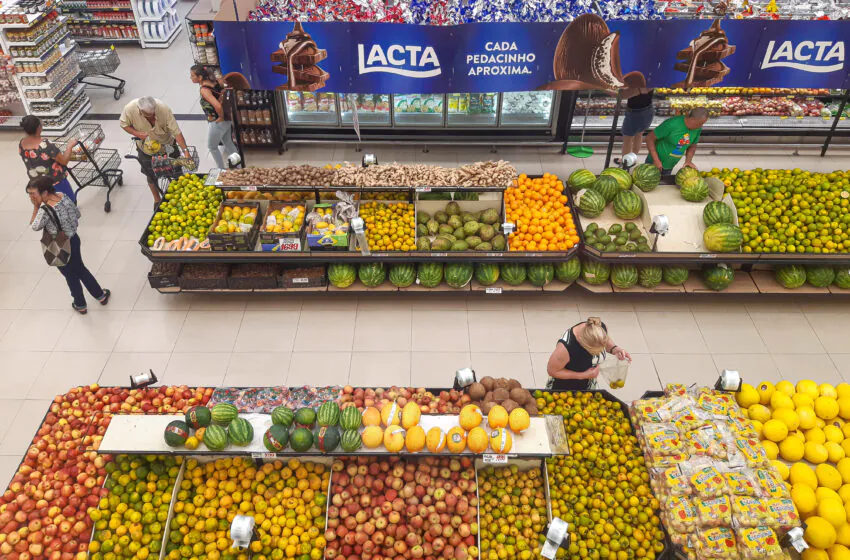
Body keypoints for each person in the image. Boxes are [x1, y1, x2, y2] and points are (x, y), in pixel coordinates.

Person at [28, 176, 110, 314]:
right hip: (74, 240)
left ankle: (81, 304)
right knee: (80, 269)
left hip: (59, 245)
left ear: (44, 193)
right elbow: (77, 214)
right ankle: (100, 296)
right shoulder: (62, 196)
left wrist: (36, 207)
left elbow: (34, 226)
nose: (31, 197)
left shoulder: (45, 210)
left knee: (70, 274)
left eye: (33, 194)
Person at [119, 96, 191, 205]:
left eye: (153, 115)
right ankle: (157, 200)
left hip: (167, 145)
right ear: (140, 110)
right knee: (151, 175)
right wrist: (138, 134)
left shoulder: (163, 109)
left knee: (176, 170)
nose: (152, 118)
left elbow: (177, 132)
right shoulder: (130, 109)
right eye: (148, 116)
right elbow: (123, 125)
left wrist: (186, 151)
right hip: (146, 148)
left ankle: (182, 195)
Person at [546, 317, 632, 391]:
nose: (599, 352)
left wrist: (614, 349)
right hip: (565, 388)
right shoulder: (565, 348)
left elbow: (605, 339)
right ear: (583, 343)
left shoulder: (597, 328)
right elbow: (552, 371)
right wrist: (583, 375)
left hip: (588, 383)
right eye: (594, 351)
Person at [190, 64, 241, 170]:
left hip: (217, 122)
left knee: (212, 147)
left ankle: (220, 170)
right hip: (227, 119)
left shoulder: (204, 90)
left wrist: (221, 117)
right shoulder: (217, 81)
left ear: (200, 77)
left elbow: (217, 106)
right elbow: (228, 88)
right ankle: (239, 165)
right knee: (228, 142)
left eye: (192, 76)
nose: (191, 78)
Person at [19, 115, 79, 203]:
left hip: (38, 184)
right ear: (38, 128)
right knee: (69, 201)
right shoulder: (45, 145)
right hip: (55, 181)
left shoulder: (22, 143)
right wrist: (69, 146)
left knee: (51, 203)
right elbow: (64, 161)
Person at [645, 107, 709, 176]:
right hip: (653, 163)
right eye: (700, 123)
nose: (701, 126)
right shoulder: (671, 124)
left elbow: (692, 146)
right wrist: (656, 160)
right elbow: (649, 138)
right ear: (692, 119)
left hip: (669, 166)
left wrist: (688, 161)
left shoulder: (697, 129)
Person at [616, 88, 654, 164]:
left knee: (627, 139)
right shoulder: (651, 78)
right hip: (648, 108)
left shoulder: (637, 80)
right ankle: (633, 158)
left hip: (635, 112)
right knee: (639, 134)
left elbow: (623, 95)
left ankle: (626, 162)